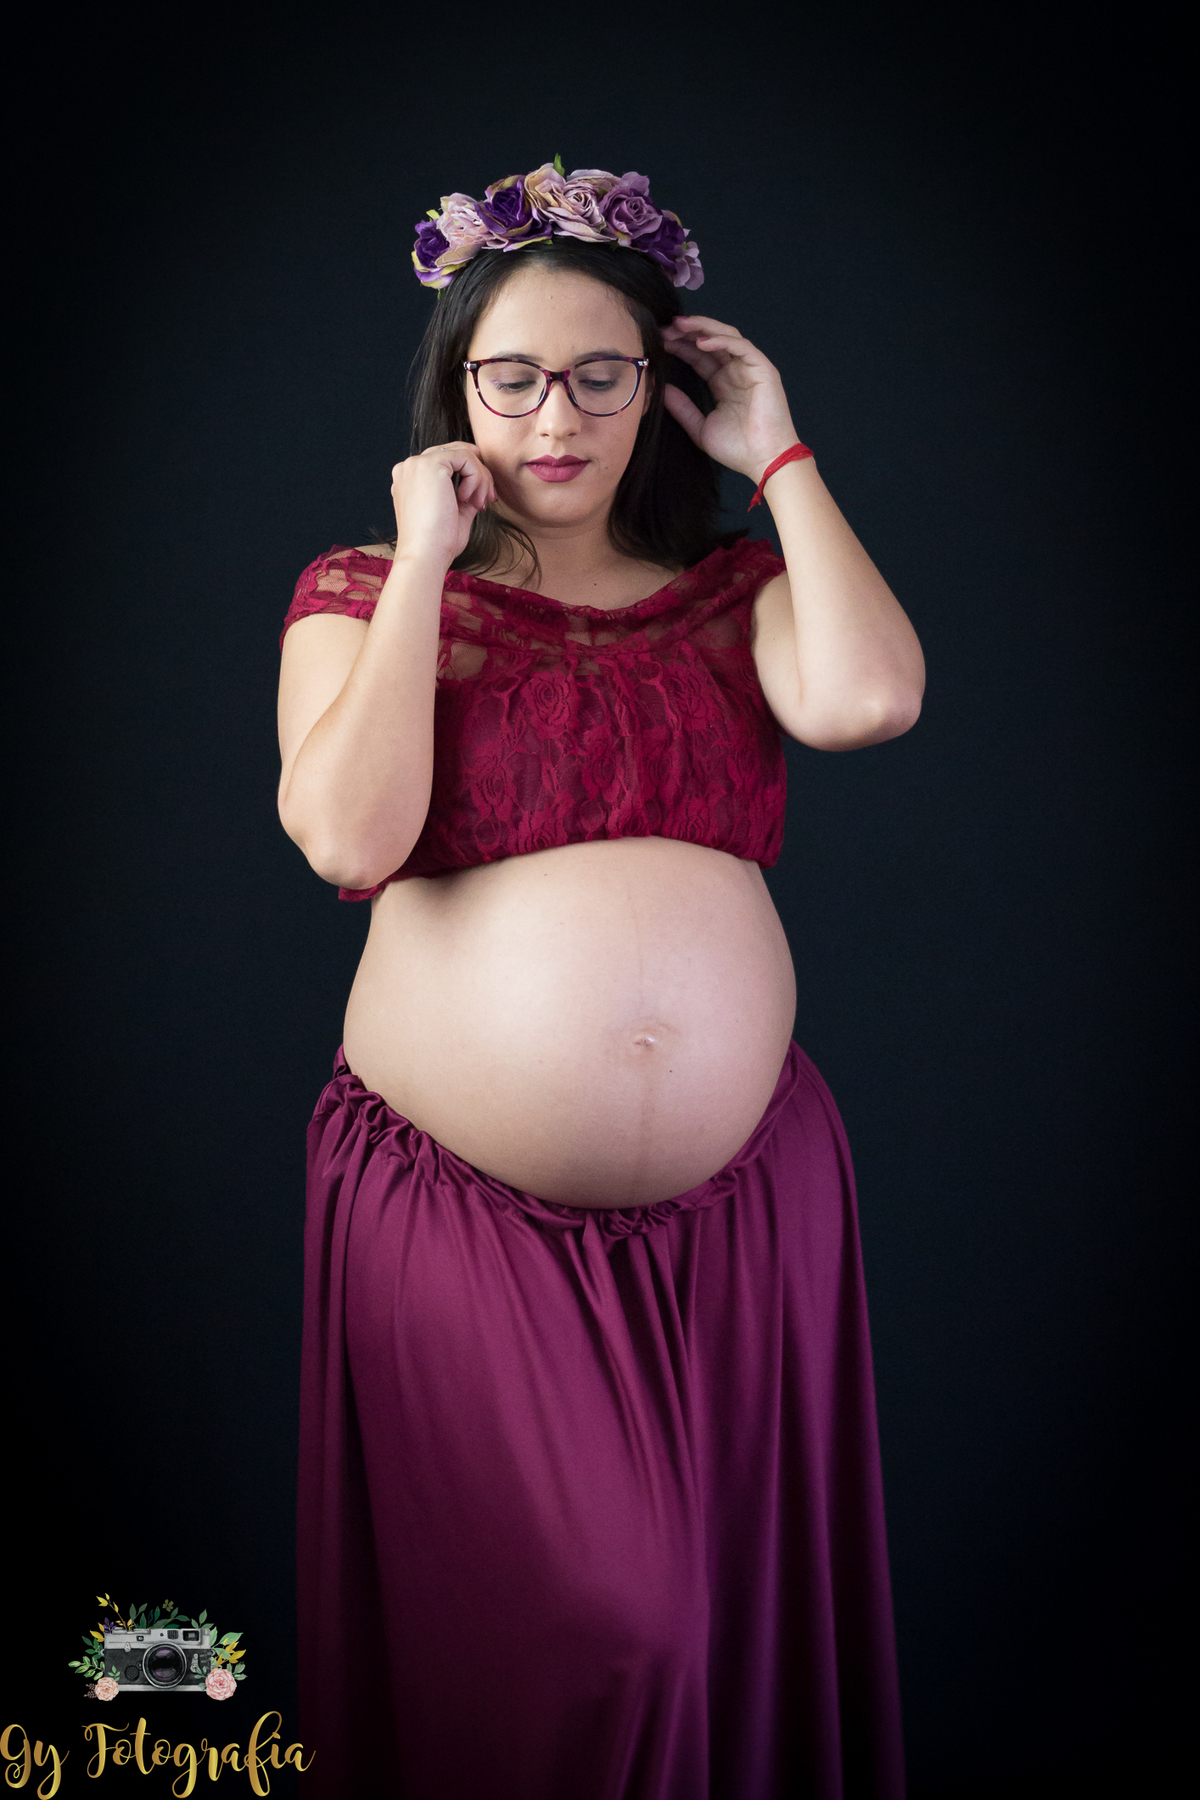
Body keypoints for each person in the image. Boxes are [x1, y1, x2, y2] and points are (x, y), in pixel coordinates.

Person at [277, 160, 924, 1799]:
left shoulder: (734, 600)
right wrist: (427, 557)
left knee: (712, 1631)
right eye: (512, 378)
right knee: (608, 1629)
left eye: (600, 376)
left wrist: (776, 450)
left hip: (747, 1209)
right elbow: (350, 838)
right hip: (465, 1207)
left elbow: (868, 701)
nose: (553, 418)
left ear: (661, 385)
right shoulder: (361, 600)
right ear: (457, 390)